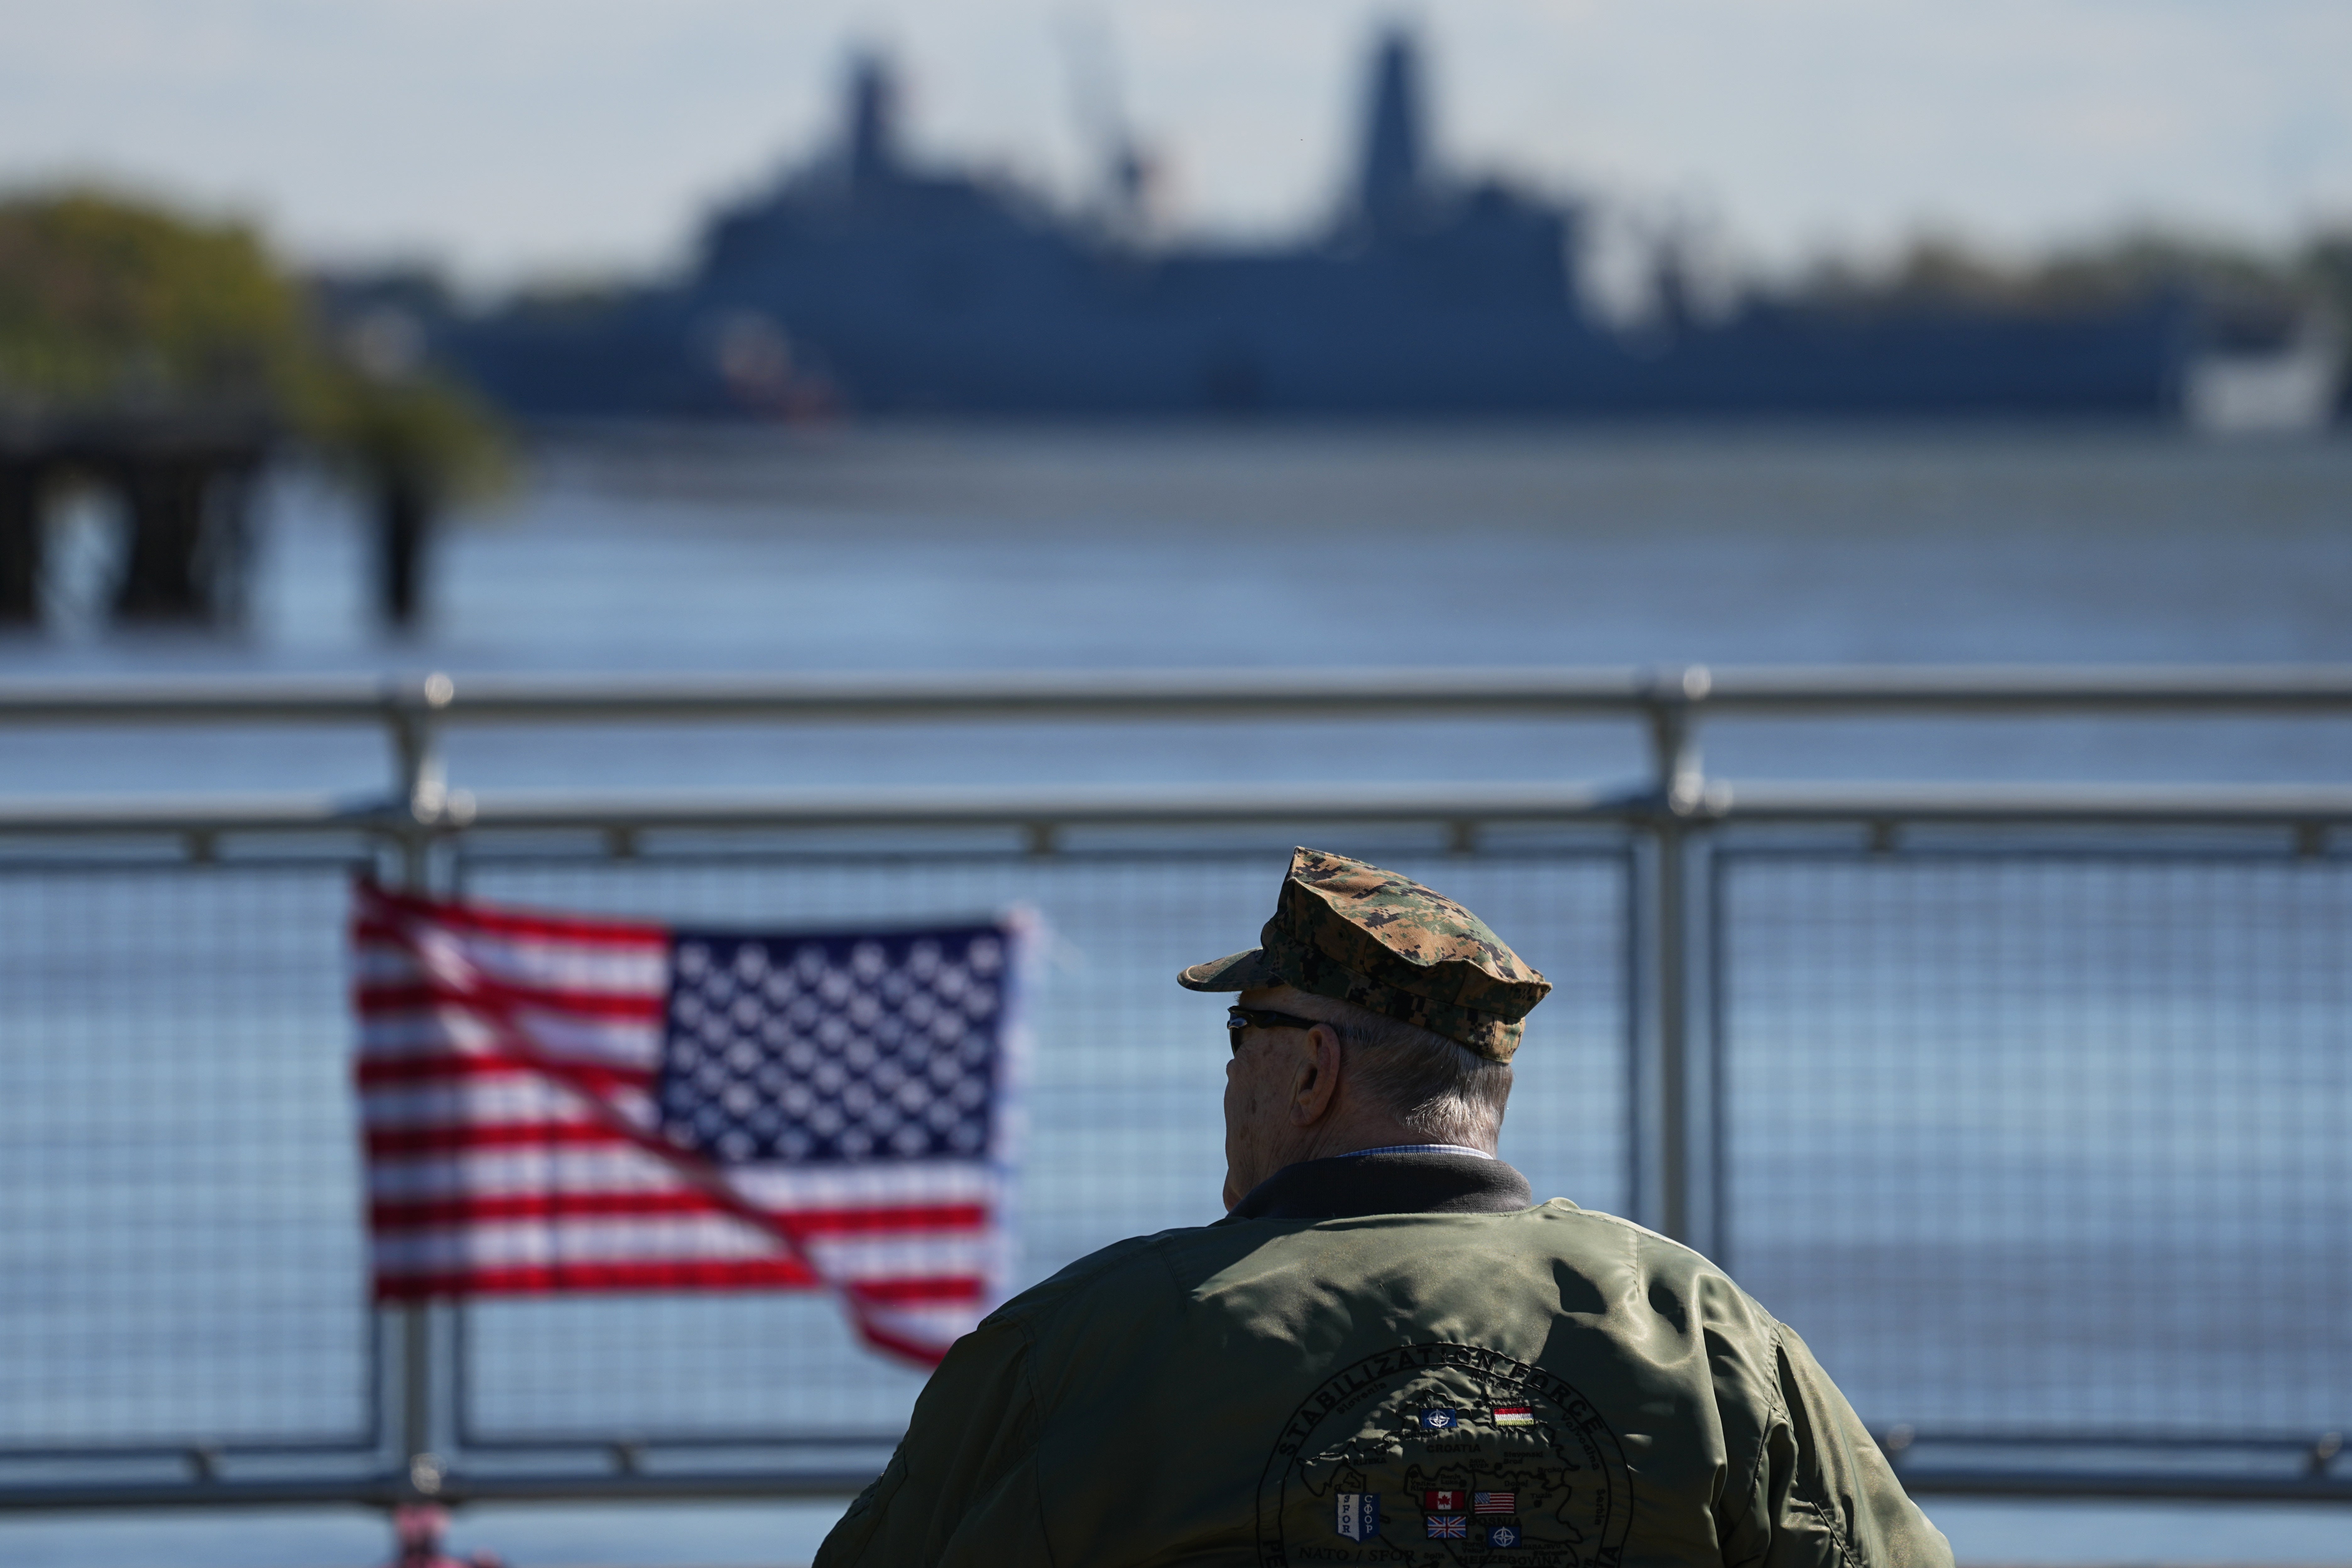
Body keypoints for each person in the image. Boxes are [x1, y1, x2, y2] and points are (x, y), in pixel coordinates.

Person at [814, 847, 1951, 1567]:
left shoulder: (1084, 1344)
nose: (1230, 1075)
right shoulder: (1703, 1330)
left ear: (1313, 1069)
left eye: (1242, 1033)